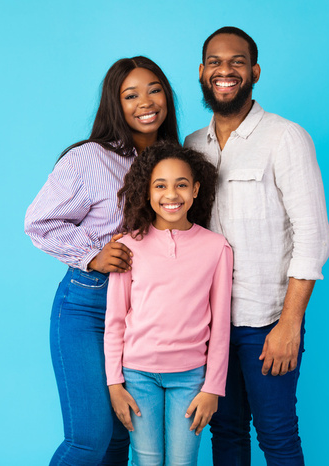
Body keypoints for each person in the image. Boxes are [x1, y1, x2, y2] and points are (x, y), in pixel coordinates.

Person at [184, 27, 329, 465]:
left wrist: (289, 324)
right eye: (215, 61)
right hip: (209, 325)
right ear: (201, 71)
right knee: (225, 434)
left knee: (277, 435)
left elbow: (314, 236)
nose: (224, 70)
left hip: (266, 321)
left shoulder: (285, 137)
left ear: (254, 71)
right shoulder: (193, 146)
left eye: (236, 62)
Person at [24, 56, 179, 466]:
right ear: (116, 104)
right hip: (88, 308)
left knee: (117, 440)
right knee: (89, 440)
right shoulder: (90, 158)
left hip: (146, 314)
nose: (145, 102)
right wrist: (92, 254)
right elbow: (38, 222)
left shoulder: (176, 162)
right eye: (131, 95)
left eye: (154, 89)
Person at [104, 141, 233, 466]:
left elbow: (220, 325)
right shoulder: (127, 245)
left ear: (195, 190)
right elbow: (115, 320)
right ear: (147, 192)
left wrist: (213, 387)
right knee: (146, 461)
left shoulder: (217, 249)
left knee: (182, 462)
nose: (171, 195)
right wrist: (114, 383)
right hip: (137, 375)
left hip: (191, 377)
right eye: (160, 186)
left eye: (181, 185)